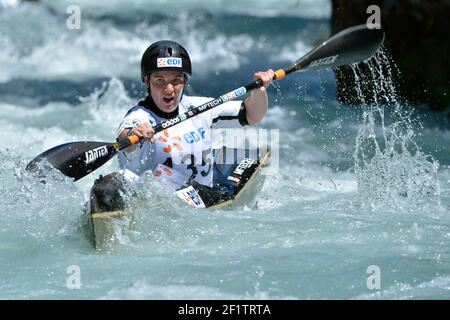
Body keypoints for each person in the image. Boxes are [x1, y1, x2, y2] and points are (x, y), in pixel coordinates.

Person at [117, 40, 274, 190]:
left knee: (242, 154)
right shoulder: (139, 116)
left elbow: (253, 115)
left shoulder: (198, 107)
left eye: (176, 80)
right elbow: (125, 138)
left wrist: (259, 91)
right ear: (146, 80)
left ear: (185, 81)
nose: (169, 89)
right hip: (156, 198)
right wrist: (134, 134)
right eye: (160, 80)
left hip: (204, 194)